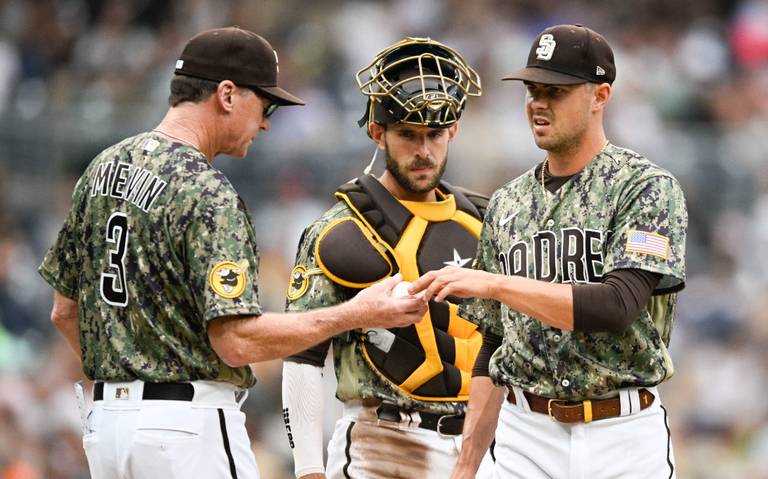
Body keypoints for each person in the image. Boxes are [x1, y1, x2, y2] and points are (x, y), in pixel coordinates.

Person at [37, 26, 427, 479]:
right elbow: (237, 340)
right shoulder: (206, 190)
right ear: (227, 94)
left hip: (105, 428)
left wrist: (125, 375)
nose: (265, 122)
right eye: (265, 105)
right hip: (185, 429)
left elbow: (64, 313)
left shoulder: (101, 169)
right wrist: (356, 313)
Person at [410, 24, 688, 479]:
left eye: (556, 90)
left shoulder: (644, 188)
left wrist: (497, 284)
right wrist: (466, 465)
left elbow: (617, 306)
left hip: (622, 433)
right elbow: (493, 347)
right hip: (526, 432)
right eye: (532, 89)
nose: (538, 102)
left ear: (600, 96)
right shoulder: (506, 202)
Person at [281, 37, 495, 479]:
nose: (424, 151)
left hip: (487, 445)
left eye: (435, 134)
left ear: (452, 129)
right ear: (378, 132)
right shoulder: (340, 231)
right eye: (408, 135)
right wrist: (307, 470)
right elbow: (302, 355)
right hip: (384, 444)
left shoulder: (486, 220)